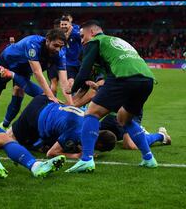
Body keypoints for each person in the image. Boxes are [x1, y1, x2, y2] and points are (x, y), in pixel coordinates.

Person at [66, 20, 157, 173]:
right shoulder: (117, 40)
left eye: (82, 36)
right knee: (123, 119)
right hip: (147, 80)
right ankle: (148, 158)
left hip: (123, 78)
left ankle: (86, 160)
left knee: (91, 113)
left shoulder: (95, 41)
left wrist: (71, 89)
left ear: (92, 32)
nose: (82, 41)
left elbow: (83, 71)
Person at [0, 29, 72, 130]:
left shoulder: (60, 53)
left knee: (19, 92)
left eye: (61, 47)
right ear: (47, 41)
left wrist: (71, 104)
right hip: (7, 62)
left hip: (24, 69)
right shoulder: (33, 44)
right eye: (56, 45)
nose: (58, 49)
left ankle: (4, 126)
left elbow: (63, 81)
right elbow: (37, 73)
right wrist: (51, 97)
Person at [0, 95, 117, 159]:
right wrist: (76, 156)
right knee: (8, 140)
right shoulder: (76, 132)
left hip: (45, 104)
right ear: (99, 143)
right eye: (97, 149)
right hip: (34, 117)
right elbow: (51, 153)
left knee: (28, 142)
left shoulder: (91, 120)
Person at [60, 16, 82, 88]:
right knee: (70, 82)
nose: (63, 26)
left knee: (81, 83)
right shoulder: (59, 34)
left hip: (79, 62)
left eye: (65, 24)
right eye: (62, 24)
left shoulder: (76, 34)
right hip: (68, 63)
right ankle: (72, 98)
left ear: (70, 24)